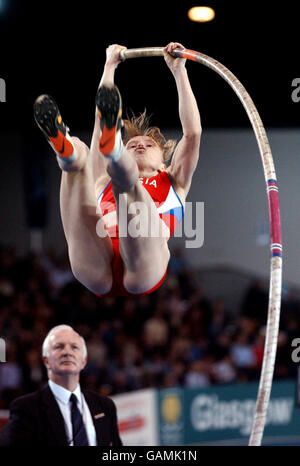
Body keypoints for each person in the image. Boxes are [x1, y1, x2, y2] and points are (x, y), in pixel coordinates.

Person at [33, 42, 201, 297]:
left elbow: (192, 134)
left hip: (144, 267)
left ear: (163, 164)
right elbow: (102, 116)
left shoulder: (174, 181)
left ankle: (112, 153)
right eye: (132, 144)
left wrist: (179, 71)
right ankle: (66, 153)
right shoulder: (104, 178)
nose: (140, 145)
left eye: (148, 144)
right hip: (95, 256)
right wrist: (109, 66)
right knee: (81, 158)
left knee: (126, 183)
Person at [0, 325, 122, 446]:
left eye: (74, 347)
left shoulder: (105, 406)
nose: (67, 352)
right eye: (59, 347)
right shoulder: (25, 408)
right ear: (46, 361)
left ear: (83, 362)